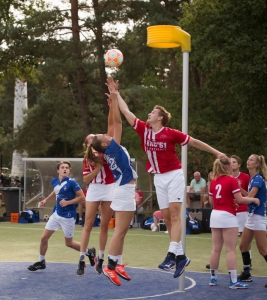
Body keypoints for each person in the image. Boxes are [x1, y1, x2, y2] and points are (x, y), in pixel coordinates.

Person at [107, 76, 227, 279]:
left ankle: (172, 254)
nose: (149, 113)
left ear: (160, 117)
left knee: (174, 214)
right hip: (158, 177)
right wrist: (116, 94)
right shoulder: (144, 129)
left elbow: (195, 142)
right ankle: (181, 257)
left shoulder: (171, 133)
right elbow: (126, 112)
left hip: (174, 175)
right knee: (166, 217)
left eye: (153, 112)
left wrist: (216, 153)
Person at [86, 88, 138, 286]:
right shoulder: (113, 148)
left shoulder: (108, 149)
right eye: (103, 136)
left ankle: (117, 264)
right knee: (120, 231)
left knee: (122, 231)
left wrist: (112, 105)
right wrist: (115, 99)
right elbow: (116, 123)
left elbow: (111, 122)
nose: (105, 134)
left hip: (123, 188)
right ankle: (109, 266)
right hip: (124, 190)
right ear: (105, 143)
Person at [78, 94, 117, 276]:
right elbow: (86, 180)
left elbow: (112, 127)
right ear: (88, 144)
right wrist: (98, 167)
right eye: (91, 139)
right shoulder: (88, 158)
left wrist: (112, 105)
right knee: (88, 224)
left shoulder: (106, 150)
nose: (94, 140)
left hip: (108, 188)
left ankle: (101, 258)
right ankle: (81, 259)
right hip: (94, 189)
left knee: (104, 225)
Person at [208, 158, 259, 289]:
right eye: (230, 164)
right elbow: (240, 199)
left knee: (215, 249)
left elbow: (211, 200)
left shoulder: (214, 180)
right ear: (226, 167)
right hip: (227, 215)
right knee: (230, 250)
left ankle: (213, 279)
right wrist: (254, 199)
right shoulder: (231, 180)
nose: (232, 166)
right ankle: (233, 281)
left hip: (215, 214)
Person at [28, 161, 85, 272]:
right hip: (56, 213)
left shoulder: (72, 183)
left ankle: (88, 251)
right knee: (44, 238)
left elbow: (82, 197)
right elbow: (56, 191)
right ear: (58, 170)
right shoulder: (54, 181)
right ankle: (41, 261)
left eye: (67, 168)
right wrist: (46, 199)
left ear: (69, 170)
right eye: (62, 167)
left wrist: (68, 202)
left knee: (69, 243)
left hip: (68, 216)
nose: (65, 169)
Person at [237, 154, 267, 288]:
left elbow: (250, 197)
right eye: (248, 159)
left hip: (258, 217)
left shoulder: (257, 179)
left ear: (256, 164)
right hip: (251, 216)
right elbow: (249, 196)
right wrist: (239, 190)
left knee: (263, 249)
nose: (248, 161)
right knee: (243, 246)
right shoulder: (252, 179)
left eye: (251, 160)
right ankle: (247, 274)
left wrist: (236, 198)